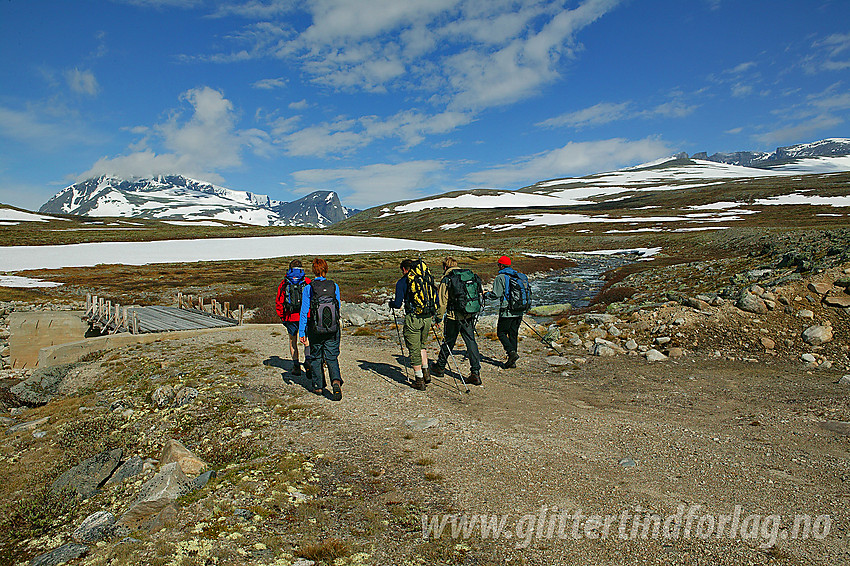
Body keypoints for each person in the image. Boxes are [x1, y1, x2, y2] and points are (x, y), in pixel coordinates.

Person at [431, 257, 483, 385]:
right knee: (471, 341)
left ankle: (440, 367)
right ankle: (475, 373)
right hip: (468, 315)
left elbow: (442, 303)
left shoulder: (447, 279)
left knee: (448, 341)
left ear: (445, 267)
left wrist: (438, 317)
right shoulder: (468, 275)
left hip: (453, 316)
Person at [298, 258, 343, 401]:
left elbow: (304, 311)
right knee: (331, 356)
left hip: (315, 328)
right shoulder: (334, 286)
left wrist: (302, 332)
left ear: (313, 270)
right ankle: (336, 382)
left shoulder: (308, 288)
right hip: (333, 328)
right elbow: (338, 307)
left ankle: (318, 385)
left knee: (316, 356)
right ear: (326, 269)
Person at [388, 258, 435, 391]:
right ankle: (426, 373)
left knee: (413, 348)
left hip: (413, 318)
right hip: (427, 317)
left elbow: (397, 304)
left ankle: (419, 380)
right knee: (422, 345)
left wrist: (391, 304)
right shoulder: (425, 280)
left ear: (404, 269)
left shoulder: (402, 282)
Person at [486, 255, 526, 368]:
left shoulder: (501, 277)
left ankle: (511, 353)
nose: (498, 266)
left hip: (507, 311)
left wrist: (486, 295)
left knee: (501, 333)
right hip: (519, 310)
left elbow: (496, 294)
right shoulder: (517, 276)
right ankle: (512, 361)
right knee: (513, 334)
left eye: (498, 264)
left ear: (501, 265)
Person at [275, 259, 310, 376]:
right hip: (305, 316)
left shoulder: (284, 283)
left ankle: (296, 367)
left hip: (290, 317)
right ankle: (308, 362)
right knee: (306, 341)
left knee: (292, 341)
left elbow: (279, 301)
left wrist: (282, 317)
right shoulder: (307, 281)